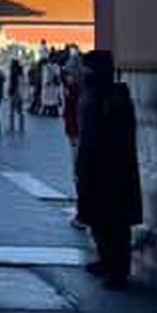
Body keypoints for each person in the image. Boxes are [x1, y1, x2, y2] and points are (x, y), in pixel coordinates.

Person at [76, 49, 142, 289]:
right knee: (96, 218)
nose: (84, 74)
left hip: (112, 169)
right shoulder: (91, 94)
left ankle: (119, 270)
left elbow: (119, 138)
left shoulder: (115, 98)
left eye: (89, 70)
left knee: (115, 221)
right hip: (91, 165)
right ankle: (105, 260)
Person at [62, 45, 85, 228]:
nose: (67, 77)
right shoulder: (73, 90)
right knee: (79, 176)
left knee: (81, 176)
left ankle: (83, 213)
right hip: (75, 136)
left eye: (70, 73)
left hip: (80, 138)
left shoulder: (79, 93)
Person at [7, 57, 25, 134]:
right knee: (20, 111)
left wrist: (10, 91)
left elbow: (13, 85)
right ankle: (21, 127)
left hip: (15, 93)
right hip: (20, 93)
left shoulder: (13, 75)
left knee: (12, 111)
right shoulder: (21, 74)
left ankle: (11, 127)